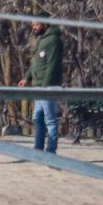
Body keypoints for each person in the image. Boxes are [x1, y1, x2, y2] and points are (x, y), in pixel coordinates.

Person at [26, 18, 66, 153]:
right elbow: (36, 63)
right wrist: (27, 77)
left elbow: (52, 65)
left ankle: (51, 150)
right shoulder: (41, 40)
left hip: (48, 86)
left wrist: (45, 84)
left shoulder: (53, 40)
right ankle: (38, 148)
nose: (34, 27)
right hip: (38, 85)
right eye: (33, 25)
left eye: (36, 24)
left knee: (50, 118)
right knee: (37, 117)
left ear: (45, 24)